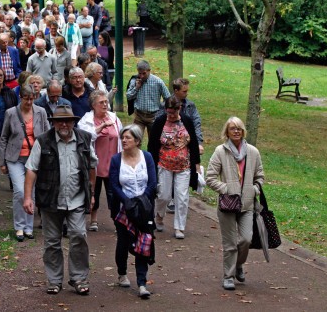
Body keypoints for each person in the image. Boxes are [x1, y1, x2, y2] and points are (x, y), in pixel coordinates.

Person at [23, 105, 98, 295]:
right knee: (52, 242)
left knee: (79, 235)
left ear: (74, 121)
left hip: (77, 199)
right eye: (59, 121)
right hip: (50, 199)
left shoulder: (84, 139)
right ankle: (54, 280)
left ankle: (79, 278)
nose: (64, 124)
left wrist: (92, 193)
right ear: (53, 123)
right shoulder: (43, 141)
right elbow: (32, 169)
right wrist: (27, 197)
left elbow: (91, 167)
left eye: (67, 120)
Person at [206, 117, 264, 291]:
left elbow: (260, 176)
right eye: (232, 128)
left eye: (239, 128)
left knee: (246, 239)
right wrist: (227, 189)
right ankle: (228, 276)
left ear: (243, 131)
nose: (236, 131)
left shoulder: (253, 152)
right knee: (230, 243)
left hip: (247, 205)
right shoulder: (220, 152)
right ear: (227, 131)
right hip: (227, 205)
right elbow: (210, 177)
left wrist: (254, 189)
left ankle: (238, 264)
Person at [108, 124, 157, 299]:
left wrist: (142, 201)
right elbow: (113, 184)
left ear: (137, 140)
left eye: (128, 138)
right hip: (123, 209)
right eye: (123, 137)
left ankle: (142, 283)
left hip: (144, 208)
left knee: (144, 242)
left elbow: (152, 181)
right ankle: (122, 273)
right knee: (124, 242)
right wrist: (128, 202)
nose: (124, 140)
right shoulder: (116, 160)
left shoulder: (147, 157)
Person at [0, 85, 50, 242]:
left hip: (34, 159)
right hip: (15, 157)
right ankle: (19, 226)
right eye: (26, 98)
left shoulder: (40, 112)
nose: (29, 102)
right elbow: (4, 137)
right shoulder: (11, 113)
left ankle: (28, 227)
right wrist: (2, 162)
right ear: (20, 97)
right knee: (20, 191)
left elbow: (47, 134)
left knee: (31, 193)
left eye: (32, 98)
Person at [148, 96, 201, 239]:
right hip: (164, 164)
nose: (171, 115)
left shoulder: (186, 121)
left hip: (184, 166)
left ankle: (180, 227)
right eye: (168, 112)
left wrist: (197, 164)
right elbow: (152, 145)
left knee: (182, 197)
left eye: (174, 112)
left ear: (180, 109)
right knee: (163, 195)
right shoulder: (159, 122)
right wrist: (151, 166)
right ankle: (159, 216)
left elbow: (194, 144)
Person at [77, 90, 122, 232]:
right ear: (93, 105)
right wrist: (101, 127)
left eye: (106, 102)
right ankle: (93, 219)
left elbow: (121, 136)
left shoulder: (114, 118)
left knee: (114, 194)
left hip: (113, 163)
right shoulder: (86, 119)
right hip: (95, 164)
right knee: (93, 192)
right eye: (101, 102)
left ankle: (117, 221)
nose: (105, 104)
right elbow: (85, 137)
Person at [126, 60, 171, 138]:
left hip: (154, 116)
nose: (142, 76)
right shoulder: (135, 80)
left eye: (144, 73)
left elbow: (168, 98)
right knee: (136, 139)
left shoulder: (158, 82)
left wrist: (162, 111)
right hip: (139, 115)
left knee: (153, 141)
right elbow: (129, 96)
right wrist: (136, 88)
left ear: (149, 71)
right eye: (140, 73)